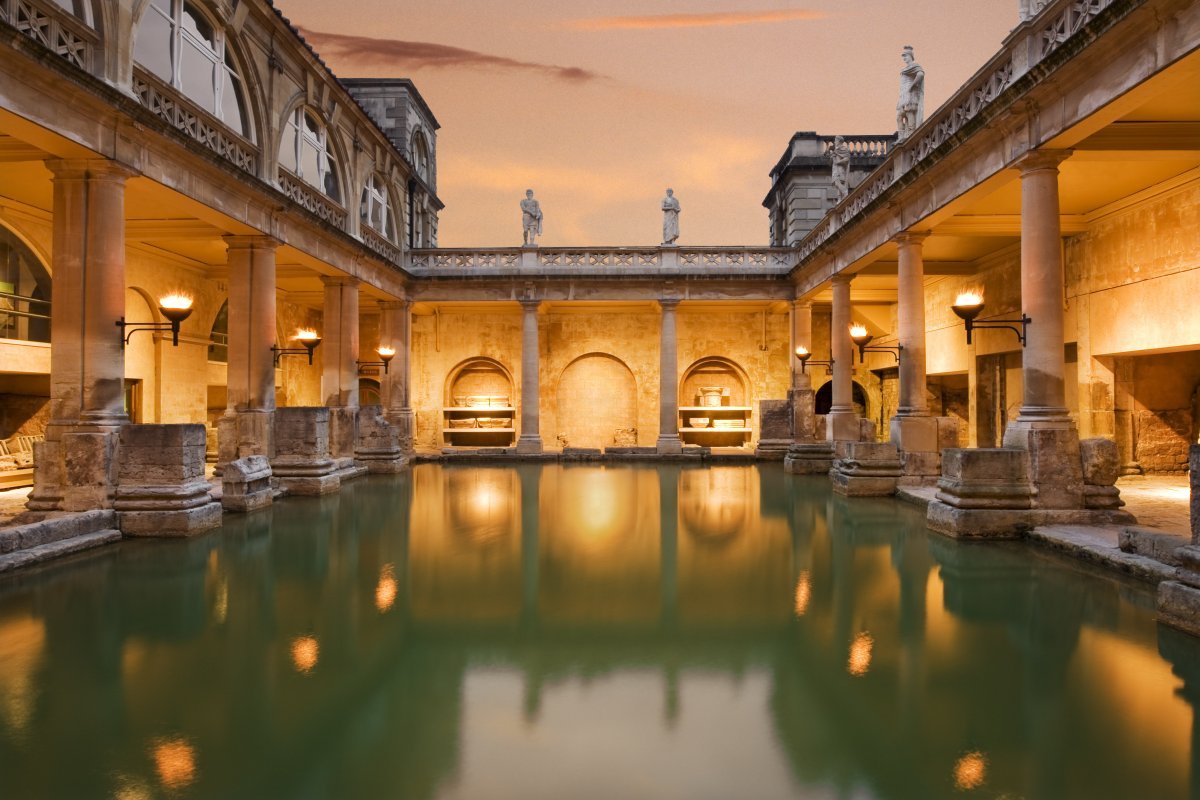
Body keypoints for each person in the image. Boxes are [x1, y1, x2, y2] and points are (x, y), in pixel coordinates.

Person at [896, 45, 925, 140]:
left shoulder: (915, 66)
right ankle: (901, 137)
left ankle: (911, 136)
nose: (904, 58)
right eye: (903, 56)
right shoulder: (906, 68)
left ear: (910, 56)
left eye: (905, 56)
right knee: (899, 116)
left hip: (910, 95)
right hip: (903, 95)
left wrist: (912, 86)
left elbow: (920, 74)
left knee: (909, 114)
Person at [829, 136, 850, 200]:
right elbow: (830, 163)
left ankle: (845, 192)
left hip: (840, 168)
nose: (834, 142)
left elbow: (847, 159)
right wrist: (832, 156)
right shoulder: (835, 150)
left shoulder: (844, 149)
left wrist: (839, 162)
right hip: (835, 169)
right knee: (836, 183)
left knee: (838, 182)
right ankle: (839, 199)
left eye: (835, 140)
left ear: (839, 141)